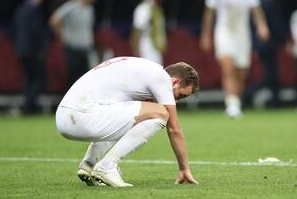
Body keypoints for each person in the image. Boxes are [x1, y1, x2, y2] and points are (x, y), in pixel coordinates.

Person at [55, 57, 199, 187]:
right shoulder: (161, 78)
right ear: (175, 82)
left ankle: (88, 164)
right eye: (180, 96)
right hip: (83, 116)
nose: (176, 101)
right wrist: (184, 168)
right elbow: (174, 128)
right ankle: (107, 167)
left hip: (64, 116)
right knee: (161, 113)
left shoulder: (141, 69)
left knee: (138, 115)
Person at [200, 0, 269, 117]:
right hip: (224, 32)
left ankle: (236, 101)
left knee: (241, 72)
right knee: (228, 68)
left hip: (242, 35)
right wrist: (205, 34)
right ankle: (231, 105)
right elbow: (209, 12)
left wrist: (262, 25)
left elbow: (256, 9)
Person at [244, 0, 287, 108]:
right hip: (267, 43)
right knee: (271, 75)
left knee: (273, 75)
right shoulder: (268, 1)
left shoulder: (261, 1)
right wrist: (283, 40)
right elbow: (275, 23)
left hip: (264, 43)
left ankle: (276, 101)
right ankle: (247, 94)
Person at [49, 0, 96, 89]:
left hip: (86, 49)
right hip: (73, 49)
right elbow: (54, 20)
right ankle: (69, 102)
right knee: (73, 78)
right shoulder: (72, 5)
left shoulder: (90, 8)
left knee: (86, 78)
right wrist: (62, 36)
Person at [14, 0, 46, 114]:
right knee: (38, 78)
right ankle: (29, 105)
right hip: (32, 49)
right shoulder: (35, 10)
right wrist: (40, 49)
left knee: (29, 78)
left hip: (21, 49)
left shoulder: (20, 9)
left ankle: (29, 104)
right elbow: (36, 30)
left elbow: (15, 29)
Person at [130, 0, 166, 65]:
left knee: (157, 70)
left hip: (154, 46)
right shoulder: (144, 8)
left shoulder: (155, 7)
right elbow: (137, 30)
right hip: (145, 45)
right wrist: (137, 52)